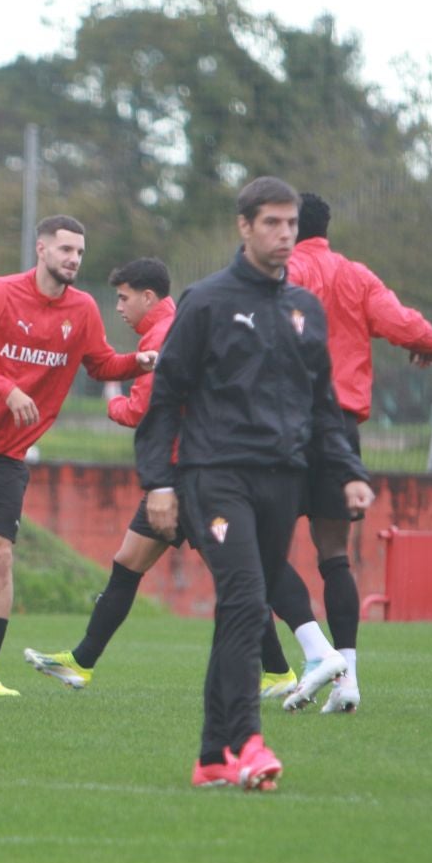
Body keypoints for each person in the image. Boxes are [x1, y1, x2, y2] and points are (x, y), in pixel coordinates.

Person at [137, 177, 371, 791]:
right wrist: (159, 484)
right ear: (244, 227)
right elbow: (165, 401)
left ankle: (212, 756)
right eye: (271, 222)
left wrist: (346, 471)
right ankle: (248, 744)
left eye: (291, 223)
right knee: (244, 600)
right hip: (214, 479)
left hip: (282, 482)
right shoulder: (207, 302)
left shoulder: (304, 309)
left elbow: (324, 403)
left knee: (237, 614)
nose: (283, 234)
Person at [0, 215, 157, 696]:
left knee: (0, 556)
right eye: (65, 250)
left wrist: (137, 361)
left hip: (4, 455)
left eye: (79, 252)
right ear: (41, 249)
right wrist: (6, 390)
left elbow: (100, 364)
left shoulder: (81, 309)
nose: (74, 259)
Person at [257, 192, 432, 713]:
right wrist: (424, 345)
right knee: (335, 556)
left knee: (260, 545)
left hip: (283, 425)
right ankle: (348, 680)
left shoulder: (278, 273)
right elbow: (417, 331)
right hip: (340, 430)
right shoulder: (355, 276)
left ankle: (315, 653)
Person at [25, 257, 177, 689]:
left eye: (124, 298)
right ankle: (81, 660)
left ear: (149, 297)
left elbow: (139, 410)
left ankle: (288, 664)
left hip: (185, 479)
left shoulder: (164, 336)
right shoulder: (164, 331)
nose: (119, 308)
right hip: (173, 476)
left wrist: (112, 404)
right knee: (127, 565)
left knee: (240, 574)